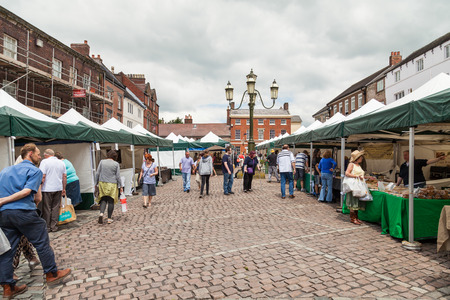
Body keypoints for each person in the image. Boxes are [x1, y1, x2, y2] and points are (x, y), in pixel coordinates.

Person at [0, 143, 71, 299]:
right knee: (41, 242)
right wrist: (6, 200)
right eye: (38, 154)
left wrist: (3, 202)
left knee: (7, 250)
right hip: (23, 211)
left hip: (5, 215)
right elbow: (31, 194)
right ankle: (52, 274)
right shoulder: (34, 170)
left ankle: (8, 287)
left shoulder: (5, 170)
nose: (40, 157)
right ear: (30, 153)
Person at [39, 149, 67, 232]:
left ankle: (47, 227)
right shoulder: (61, 163)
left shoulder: (44, 162)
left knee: (47, 208)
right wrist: (64, 188)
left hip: (47, 188)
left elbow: (42, 176)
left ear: (46, 155)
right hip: (58, 187)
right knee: (55, 207)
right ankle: (54, 226)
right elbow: (64, 177)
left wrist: (40, 187)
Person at [95, 150, 123, 224]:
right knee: (111, 201)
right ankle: (109, 218)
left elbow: (97, 173)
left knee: (103, 199)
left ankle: (101, 213)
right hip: (112, 184)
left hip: (102, 183)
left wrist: (95, 183)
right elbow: (118, 176)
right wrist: (121, 186)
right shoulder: (116, 164)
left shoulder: (102, 162)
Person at [345, 150, 367, 225]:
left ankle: (356, 217)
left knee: (357, 202)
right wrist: (356, 176)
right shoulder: (351, 164)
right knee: (352, 202)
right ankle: (352, 218)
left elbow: (361, 175)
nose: (362, 158)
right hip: (353, 186)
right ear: (357, 158)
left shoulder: (358, 165)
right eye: (360, 157)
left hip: (359, 186)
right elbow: (347, 173)